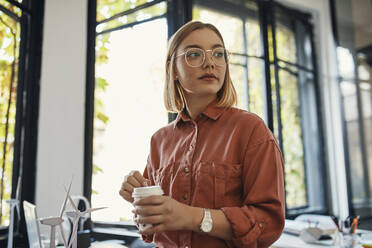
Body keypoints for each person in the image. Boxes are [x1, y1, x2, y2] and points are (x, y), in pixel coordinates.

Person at [119, 21, 285, 248]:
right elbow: (149, 227)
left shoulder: (251, 130)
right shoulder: (159, 141)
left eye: (218, 54)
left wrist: (192, 217)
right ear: (173, 69)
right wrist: (139, 199)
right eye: (194, 54)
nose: (210, 63)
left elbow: (269, 223)